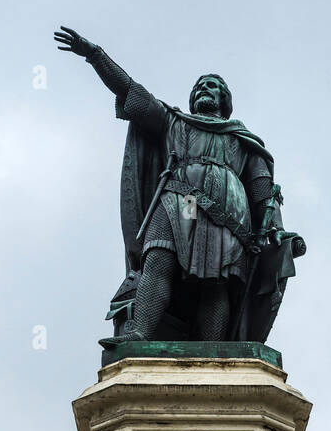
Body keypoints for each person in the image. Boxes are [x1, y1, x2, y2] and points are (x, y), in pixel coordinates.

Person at [54, 26, 304, 343]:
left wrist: (275, 229)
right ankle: (140, 332)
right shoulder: (173, 121)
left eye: (213, 86)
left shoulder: (242, 139)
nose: (205, 89)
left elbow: (264, 192)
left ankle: (214, 350)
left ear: (224, 100)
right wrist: (95, 55)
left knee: (216, 278)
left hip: (228, 212)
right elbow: (130, 90)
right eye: (200, 85)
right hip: (182, 202)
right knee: (159, 258)